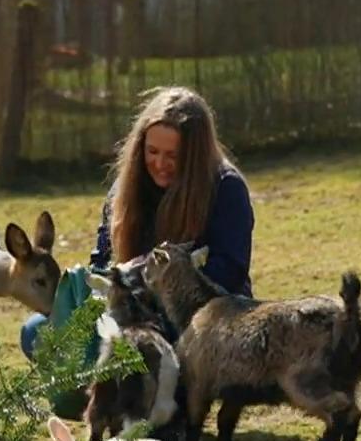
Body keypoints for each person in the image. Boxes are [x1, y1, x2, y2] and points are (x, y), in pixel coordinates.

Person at [21, 86, 255, 361]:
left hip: (200, 314)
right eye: (152, 151)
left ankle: (158, 395)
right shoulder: (125, 189)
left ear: (195, 156)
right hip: (129, 307)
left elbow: (229, 272)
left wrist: (151, 288)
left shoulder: (226, 188)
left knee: (137, 345)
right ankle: (98, 396)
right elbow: (102, 260)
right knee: (36, 332)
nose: (160, 163)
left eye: (173, 155)